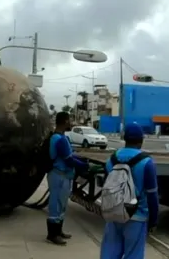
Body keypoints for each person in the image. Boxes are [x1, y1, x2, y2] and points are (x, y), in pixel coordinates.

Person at [100, 123, 159, 259]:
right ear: (141, 140)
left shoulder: (111, 159)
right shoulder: (146, 163)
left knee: (109, 254)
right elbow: (152, 196)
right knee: (133, 254)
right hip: (136, 218)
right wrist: (153, 221)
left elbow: (106, 187)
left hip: (114, 215)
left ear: (124, 139)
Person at [46, 111, 89, 245]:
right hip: (59, 176)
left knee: (62, 204)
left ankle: (58, 231)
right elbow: (69, 160)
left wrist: (81, 160)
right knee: (56, 204)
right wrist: (85, 167)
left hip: (62, 176)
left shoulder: (60, 138)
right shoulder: (59, 140)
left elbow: (70, 155)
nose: (70, 123)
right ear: (65, 121)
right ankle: (52, 234)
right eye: (69, 120)